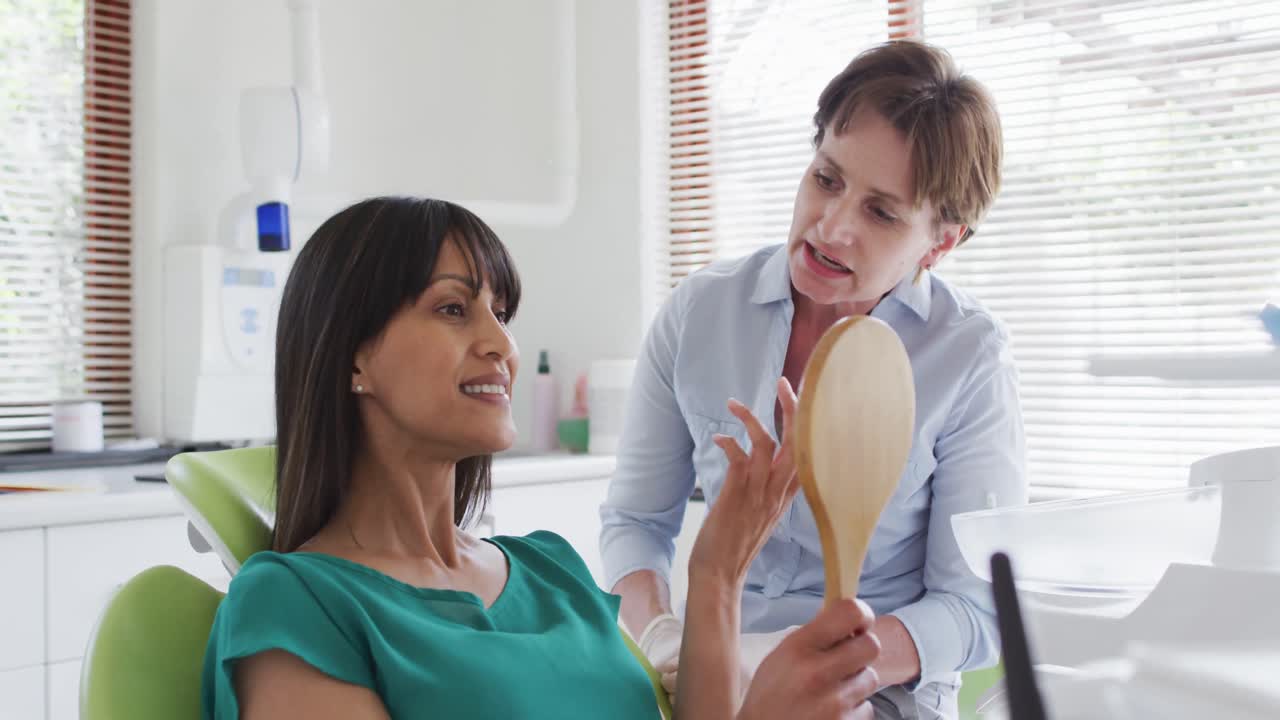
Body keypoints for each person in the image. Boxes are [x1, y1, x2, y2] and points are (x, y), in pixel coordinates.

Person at [201, 196, 883, 720]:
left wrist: (716, 576)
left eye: (502, 312)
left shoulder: (549, 568)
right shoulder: (297, 605)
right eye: (452, 309)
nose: (502, 343)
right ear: (353, 354)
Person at [600, 40, 1028, 720]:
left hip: (877, 695)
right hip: (712, 680)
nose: (830, 229)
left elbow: (976, 610)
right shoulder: (699, 314)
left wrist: (824, 665)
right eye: (827, 179)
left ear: (941, 242)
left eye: (881, 213)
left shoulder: (968, 356)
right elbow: (633, 521)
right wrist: (662, 634)